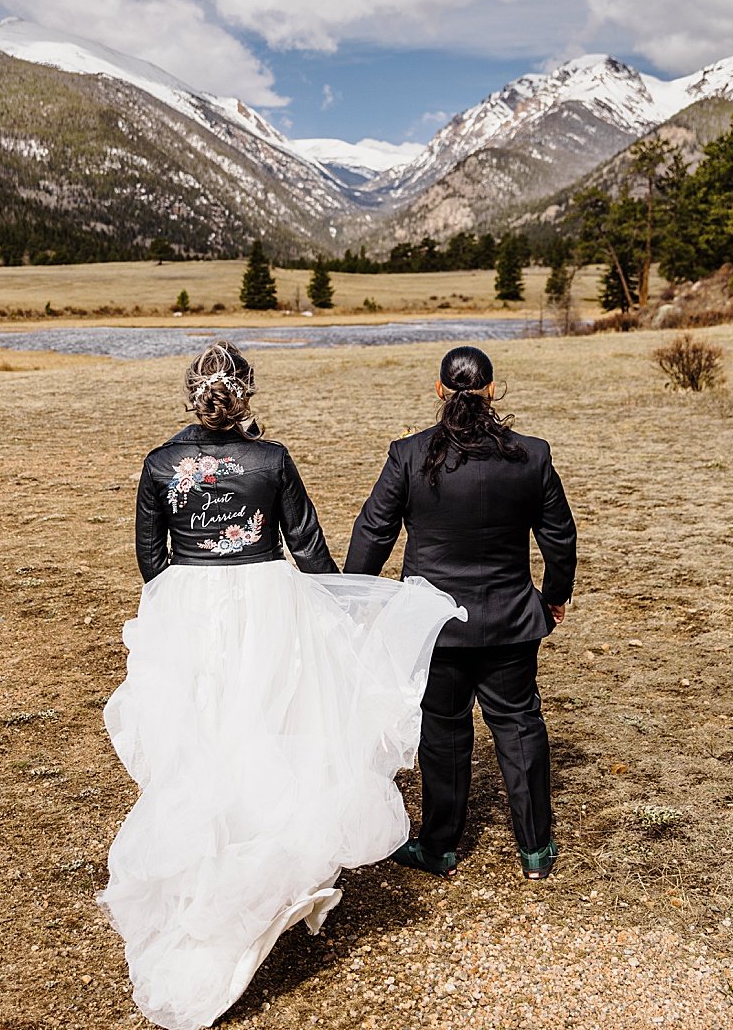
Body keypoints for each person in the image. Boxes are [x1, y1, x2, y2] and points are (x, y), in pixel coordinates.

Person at [99, 341, 465, 1030]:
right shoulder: (272, 460)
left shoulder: (158, 464)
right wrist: (345, 613)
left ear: (190, 395)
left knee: (205, 734)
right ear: (247, 394)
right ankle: (265, 865)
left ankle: (210, 869)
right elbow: (310, 547)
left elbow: (152, 561)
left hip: (191, 605)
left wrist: (185, 609)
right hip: (268, 601)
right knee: (274, 723)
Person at [345, 346, 576, 881]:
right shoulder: (532, 454)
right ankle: (536, 849)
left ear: (439, 390)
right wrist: (554, 595)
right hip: (512, 620)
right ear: (493, 389)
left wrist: (359, 596)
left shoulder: (408, 454)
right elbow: (559, 535)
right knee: (519, 725)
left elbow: (373, 530)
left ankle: (440, 846)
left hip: (435, 625)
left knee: (443, 731)